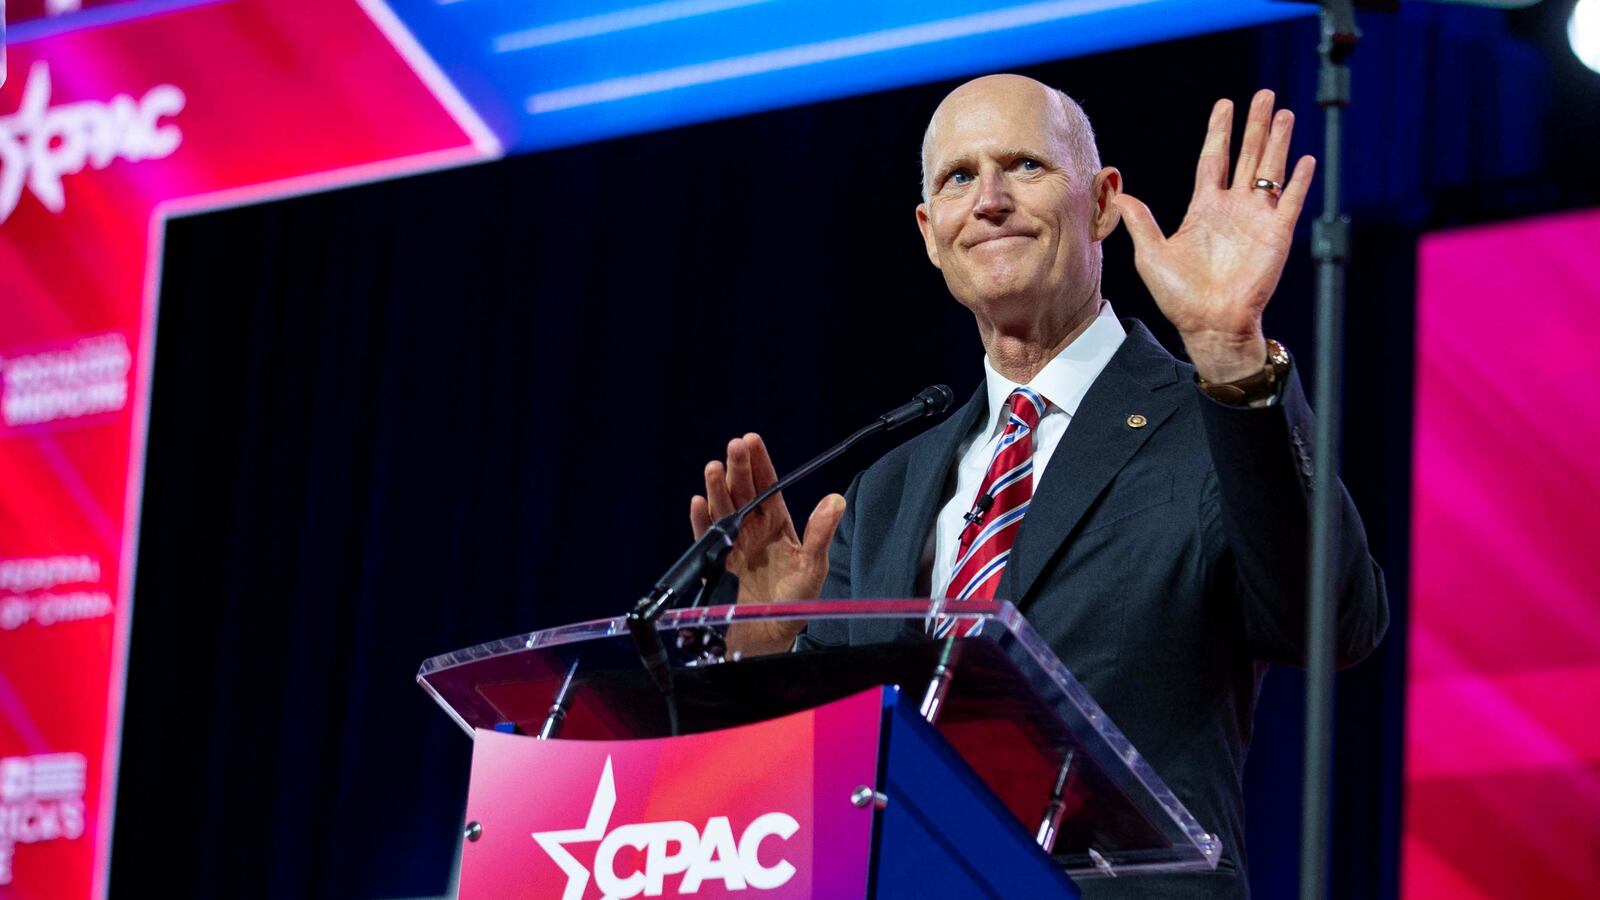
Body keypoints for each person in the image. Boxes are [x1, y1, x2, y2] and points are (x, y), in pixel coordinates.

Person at [690, 74, 1388, 898]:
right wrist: (769, 659)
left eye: (1023, 166)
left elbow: (1332, 623)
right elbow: (821, 794)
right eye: (958, 177)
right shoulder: (887, 488)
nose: (988, 200)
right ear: (929, 233)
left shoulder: (1211, 422)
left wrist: (1229, 349)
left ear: (1101, 203)